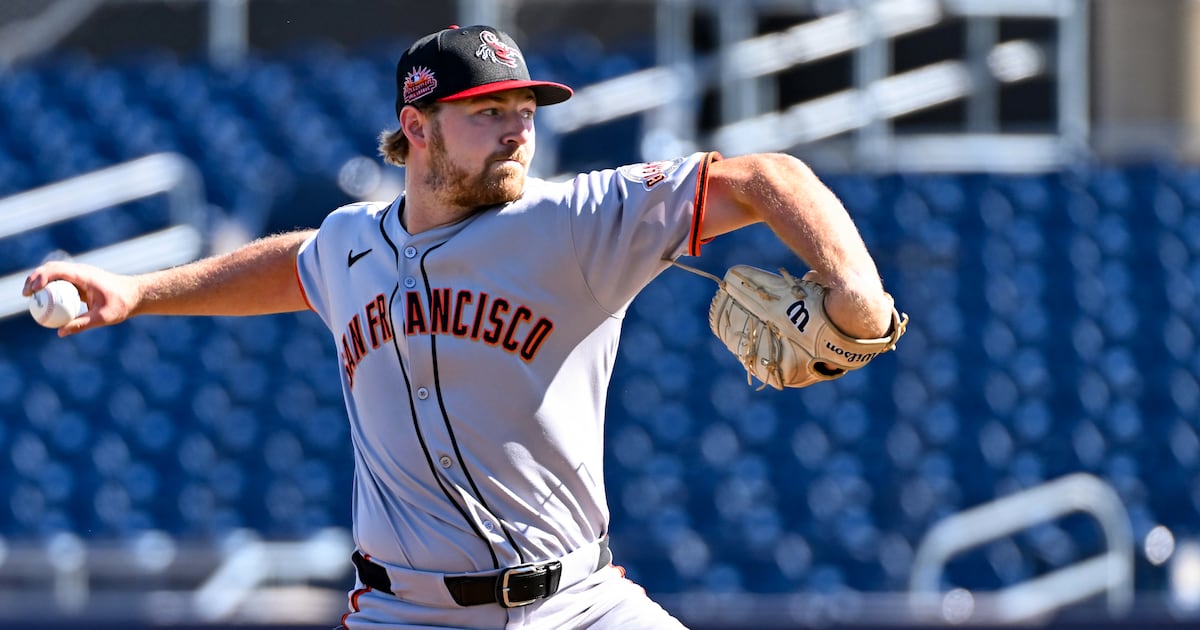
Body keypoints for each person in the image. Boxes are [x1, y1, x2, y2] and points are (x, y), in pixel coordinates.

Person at [23, 24, 896, 630]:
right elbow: (292, 265)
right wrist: (137, 291)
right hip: (404, 613)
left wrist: (858, 294)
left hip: (577, 605)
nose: (517, 131)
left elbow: (765, 177)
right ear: (417, 128)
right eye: (488, 112)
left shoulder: (575, 219)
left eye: (525, 111)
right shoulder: (349, 242)